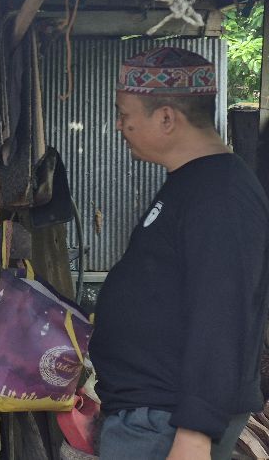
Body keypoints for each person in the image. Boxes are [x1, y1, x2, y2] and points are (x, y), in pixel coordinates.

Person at [92, 47, 269, 460]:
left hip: (168, 424)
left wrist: (195, 432)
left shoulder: (220, 195)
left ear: (166, 118)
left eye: (124, 113)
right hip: (156, 416)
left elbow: (223, 313)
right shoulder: (196, 183)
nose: (119, 124)